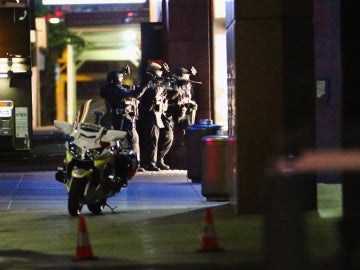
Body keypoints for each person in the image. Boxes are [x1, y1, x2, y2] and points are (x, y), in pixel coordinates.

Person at [100, 66, 148, 171]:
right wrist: (145, 83)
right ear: (117, 79)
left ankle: (116, 163)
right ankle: (134, 164)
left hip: (116, 118)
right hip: (123, 119)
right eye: (121, 77)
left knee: (118, 142)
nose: (122, 79)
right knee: (133, 140)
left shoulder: (109, 89)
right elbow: (136, 94)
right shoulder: (117, 90)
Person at [138, 62, 179, 171]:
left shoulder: (160, 82)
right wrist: (161, 82)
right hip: (150, 113)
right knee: (152, 138)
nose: (161, 74)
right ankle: (151, 163)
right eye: (160, 72)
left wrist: (174, 84)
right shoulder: (148, 81)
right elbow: (150, 92)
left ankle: (159, 159)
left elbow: (172, 95)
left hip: (160, 113)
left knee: (168, 135)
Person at [167, 67, 198, 133]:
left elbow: (193, 98)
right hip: (173, 112)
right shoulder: (172, 84)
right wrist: (177, 91)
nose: (185, 83)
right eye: (183, 81)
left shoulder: (189, 86)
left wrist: (190, 102)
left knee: (189, 132)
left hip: (185, 113)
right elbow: (168, 98)